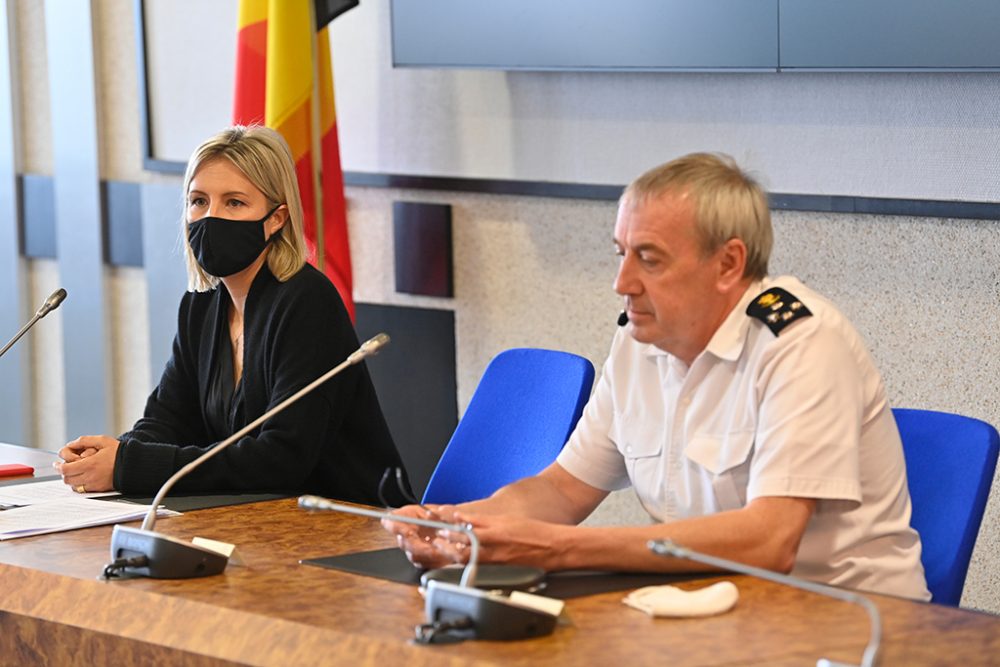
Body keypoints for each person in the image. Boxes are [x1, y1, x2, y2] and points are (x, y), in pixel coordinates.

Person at [385, 152, 930, 600]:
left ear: (728, 264)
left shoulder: (801, 342)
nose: (622, 282)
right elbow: (561, 489)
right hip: (707, 612)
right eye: (622, 253)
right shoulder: (639, 342)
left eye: (649, 258)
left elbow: (770, 541)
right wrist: (457, 526)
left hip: (849, 624)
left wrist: (555, 548)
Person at [56, 125, 409, 505]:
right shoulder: (202, 304)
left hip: (345, 524)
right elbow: (169, 418)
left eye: (234, 203)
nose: (210, 217)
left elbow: (282, 458)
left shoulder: (307, 302)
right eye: (198, 201)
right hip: (253, 520)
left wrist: (132, 465)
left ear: (277, 218)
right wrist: (113, 455)